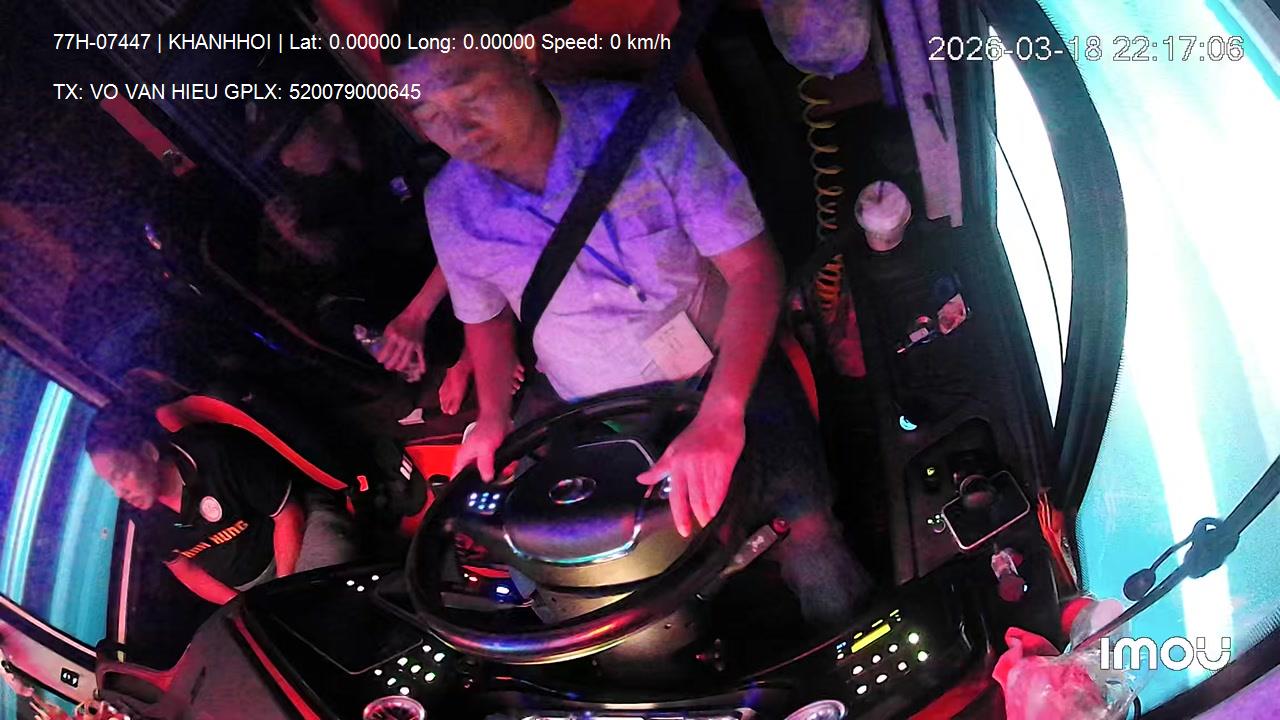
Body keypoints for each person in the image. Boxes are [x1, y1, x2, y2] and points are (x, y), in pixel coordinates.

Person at [386, 6, 871, 629]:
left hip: (717, 370)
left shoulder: (645, 129)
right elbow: (485, 318)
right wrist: (493, 417)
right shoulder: (450, 203)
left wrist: (720, 414)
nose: (459, 130)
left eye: (471, 94)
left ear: (524, 56)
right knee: (580, 569)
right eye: (427, 114)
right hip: (588, 402)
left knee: (810, 529)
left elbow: (754, 271)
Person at [86, 404, 355, 605]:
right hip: (250, 588)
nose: (119, 492)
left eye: (120, 474)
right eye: (110, 483)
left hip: (300, 531)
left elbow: (287, 514)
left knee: (324, 589)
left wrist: (281, 591)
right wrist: (240, 604)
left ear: (149, 452)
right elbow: (185, 568)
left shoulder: (214, 452)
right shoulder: (143, 515)